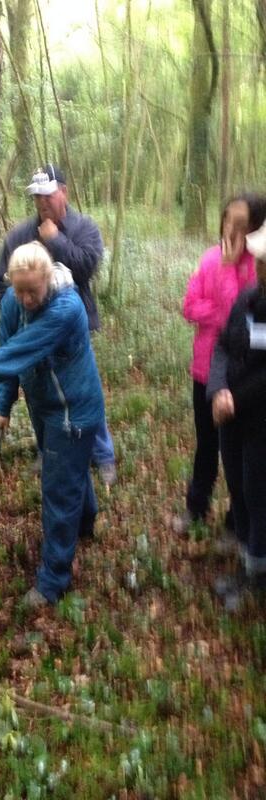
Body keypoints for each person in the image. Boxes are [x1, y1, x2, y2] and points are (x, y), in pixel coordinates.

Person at [0, 242, 104, 609]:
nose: (26, 299)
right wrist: (4, 406)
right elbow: (9, 352)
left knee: (57, 492)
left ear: (48, 280)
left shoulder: (66, 308)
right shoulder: (12, 303)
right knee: (70, 473)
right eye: (19, 289)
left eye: (33, 290)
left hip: (73, 412)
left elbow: (18, 351)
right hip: (45, 408)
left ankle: (52, 582)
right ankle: (87, 524)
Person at [0, 164, 116, 486]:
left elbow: (87, 269)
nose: (42, 202)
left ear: (64, 192)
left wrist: (57, 240)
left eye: (47, 194)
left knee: (82, 392)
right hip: (32, 333)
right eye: (37, 196)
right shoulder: (20, 235)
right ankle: (48, 450)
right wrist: (18, 316)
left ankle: (102, 455)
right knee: (39, 394)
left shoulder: (84, 227)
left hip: (75, 329)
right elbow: (0, 281)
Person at [174, 193, 266, 535]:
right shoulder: (210, 257)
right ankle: (196, 507)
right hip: (205, 370)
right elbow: (189, 307)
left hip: (241, 379)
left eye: (243, 225)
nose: (233, 230)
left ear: (257, 228)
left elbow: (237, 319)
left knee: (240, 455)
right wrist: (215, 315)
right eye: (229, 221)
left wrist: (228, 277)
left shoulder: (258, 268)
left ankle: (236, 522)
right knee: (206, 445)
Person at [207, 220, 266, 610]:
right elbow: (224, 347)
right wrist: (217, 389)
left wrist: (235, 399)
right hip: (233, 418)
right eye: (260, 261)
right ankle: (249, 560)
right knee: (241, 491)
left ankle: (256, 575)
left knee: (260, 493)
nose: (260, 268)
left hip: (260, 422)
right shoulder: (248, 299)